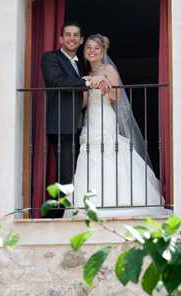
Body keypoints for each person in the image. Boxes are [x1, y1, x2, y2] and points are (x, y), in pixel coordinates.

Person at [70, 34, 162, 217]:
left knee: (109, 153)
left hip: (105, 117)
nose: (92, 51)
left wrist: (103, 86)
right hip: (91, 119)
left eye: (96, 48)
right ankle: (88, 202)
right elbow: (84, 104)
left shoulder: (108, 69)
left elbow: (117, 98)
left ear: (103, 51)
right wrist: (86, 87)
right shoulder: (86, 74)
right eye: (88, 47)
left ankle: (116, 200)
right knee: (90, 154)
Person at [41, 23, 109, 217]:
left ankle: (71, 209)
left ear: (80, 40)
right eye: (67, 35)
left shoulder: (81, 64)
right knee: (65, 172)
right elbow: (57, 81)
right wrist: (87, 82)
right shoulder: (50, 58)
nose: (71, 38)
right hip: (62, 124)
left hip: (82, 125)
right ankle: (59, 214)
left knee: (76, 171)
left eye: (76, 35)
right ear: (61, 39)